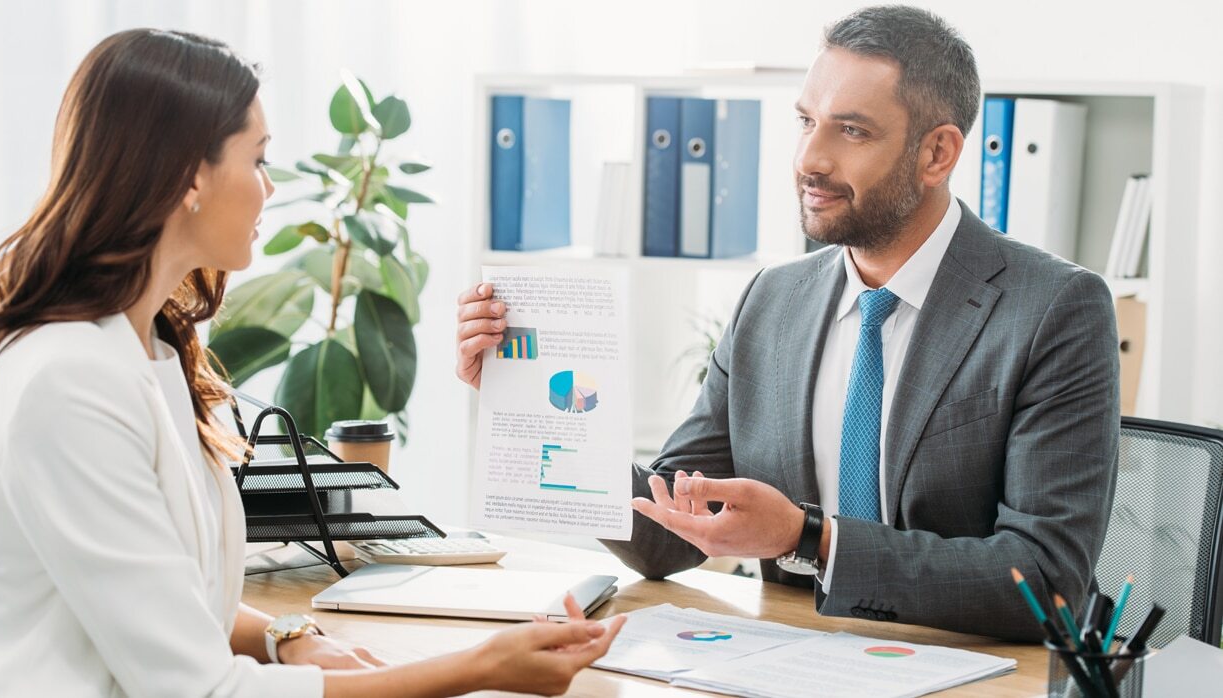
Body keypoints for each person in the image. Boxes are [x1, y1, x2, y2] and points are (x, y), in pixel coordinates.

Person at [0, 28, 622, 697]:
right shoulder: (66, 383)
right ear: (186, 177)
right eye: (257, 159)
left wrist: (289, 635)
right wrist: (478, 667)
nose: (271, 186)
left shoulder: (149, 351)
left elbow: (165, 597)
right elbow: (199, 688)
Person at [456, 5, 1119, 641]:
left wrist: (810, 539)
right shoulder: (773, 301)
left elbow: (1046, 580)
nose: (810, 159)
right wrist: (524, 391)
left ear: (938, 154)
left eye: (851, 130)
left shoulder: (1053, 309)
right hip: (791, 660)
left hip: (970, 673)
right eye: (807, 121)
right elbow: (666, 532)